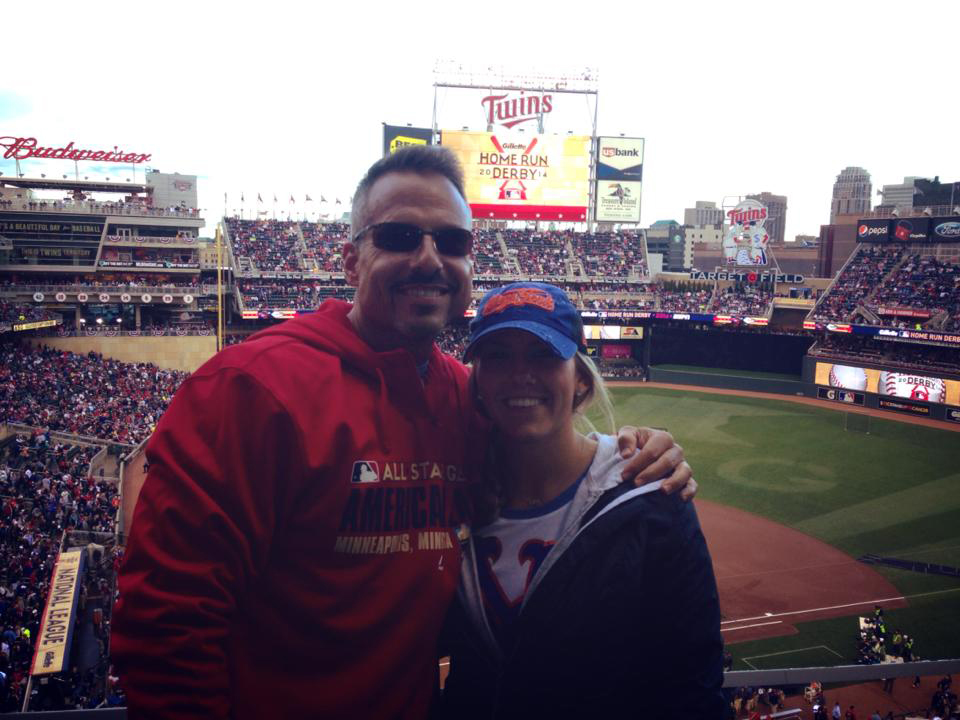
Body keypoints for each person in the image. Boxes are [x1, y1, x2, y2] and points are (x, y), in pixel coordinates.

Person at [111, 147, 695, 719]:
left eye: (451, 241)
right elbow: (168, 623)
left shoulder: (466, 400)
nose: (428, 258)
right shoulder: (248, 387)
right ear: (350, 260)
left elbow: (547, 457)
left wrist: (644, 449)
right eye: (398, 237)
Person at [437, 283, 724, 718]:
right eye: (497, 355)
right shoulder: (455, 497)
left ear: (581, 382)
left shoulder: (651, 496)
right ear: (476, 381)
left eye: (543, 354)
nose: (520, 373)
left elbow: (691, 686)